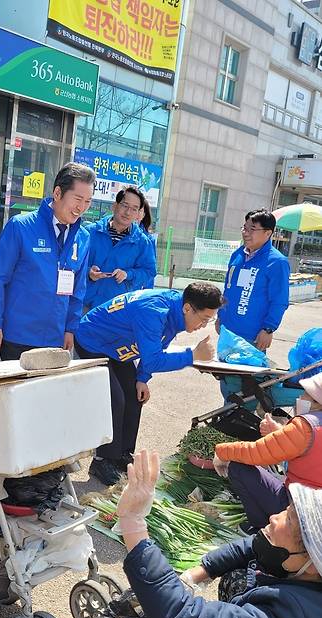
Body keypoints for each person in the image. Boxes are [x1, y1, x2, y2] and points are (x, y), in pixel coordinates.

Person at [115, 450, 322, 618]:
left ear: (312, 562)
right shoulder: (308, 578)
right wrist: (200, 572)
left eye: (289, 521)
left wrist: (133, 523)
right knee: (237, 578)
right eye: (286, 510)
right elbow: (251, 546)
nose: (274, 518)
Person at [75, 283, 221, 485]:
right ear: (187, 308)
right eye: (204, 319)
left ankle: (122, 454)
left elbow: (156, 345)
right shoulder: (153, 310)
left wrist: (142, 378)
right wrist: (192, 356)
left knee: (134, 397)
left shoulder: (174, 309)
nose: (204, 325)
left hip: (118, 348)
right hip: (93, 343)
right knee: (114, 399)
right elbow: (154, 359)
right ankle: (103, 460)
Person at [0, 162, 94, 360]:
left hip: (55, 338)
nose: (81, 208)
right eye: (78, 199)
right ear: (58, 193)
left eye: (87, 201)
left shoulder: (82, 237)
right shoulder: (21, 227)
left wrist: (70, 328)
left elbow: (78, 289)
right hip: (17, 335)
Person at [213, 371, 322, 530]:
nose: (300, 398)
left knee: (238, 467)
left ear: (317, 402)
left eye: (305, 394)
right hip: (317, 513)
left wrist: (221, 453)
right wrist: (280, 432)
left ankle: (262, 528)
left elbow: (256, 453)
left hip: (298, 510)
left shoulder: (307, 426)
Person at [217, 209, 290, 351]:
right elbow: (228, 289)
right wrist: (221, 316)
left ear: (268, 233)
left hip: (253, 336)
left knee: (244, 372)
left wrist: (268, 328)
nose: (245, 233)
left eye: (252, 229)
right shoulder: (237, 255)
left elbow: (279, 300)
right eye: (244, 228)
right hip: (228, 331)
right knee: (221, 372)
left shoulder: (276, 262)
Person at [83, 186, 156, 311]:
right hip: (85, 304)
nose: (128, 212)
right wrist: (89, 272)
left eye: (134, 209)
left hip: (118, 308)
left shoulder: (142, 242)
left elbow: (149, 272)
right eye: (125, 206)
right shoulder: (90, 233)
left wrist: (128, 274)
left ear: (138, 213)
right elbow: (73, 264)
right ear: (115, 206)